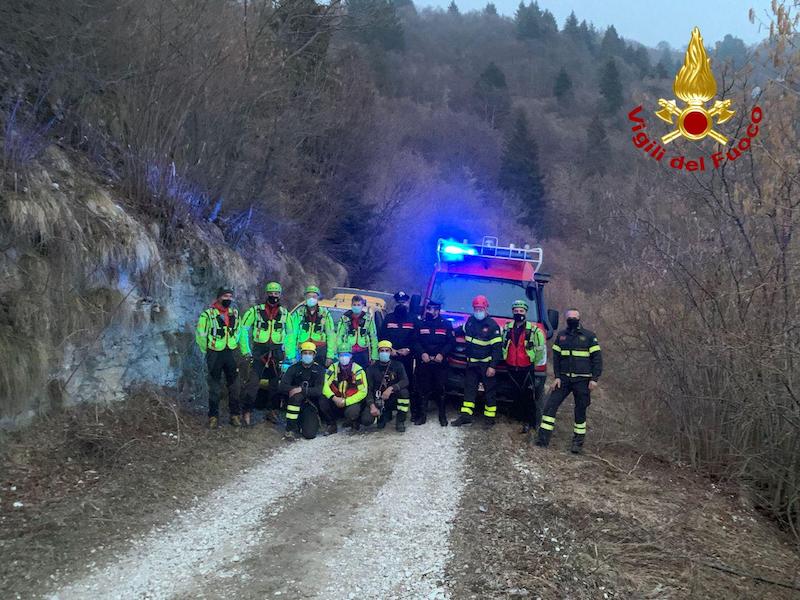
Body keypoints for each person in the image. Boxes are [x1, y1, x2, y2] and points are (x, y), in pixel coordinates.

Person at [536, 308, 603, 454]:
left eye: (575, 317)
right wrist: (557, 377)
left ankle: (577, 444)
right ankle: (542, 440)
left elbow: (597, 359)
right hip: (564, 379)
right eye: (569, 317)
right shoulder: (561, 336)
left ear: (579, 318)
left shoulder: (589, 336)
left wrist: (594, 379)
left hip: (583, 381)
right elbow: (557, 359)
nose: (572, 319)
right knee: (550, 406)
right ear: (565, 319)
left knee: (580, 411)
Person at [239, 282, 291, 426]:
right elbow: (243, 330)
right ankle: (246, 412)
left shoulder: (285, 313)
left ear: (280, 295)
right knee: (253, 384)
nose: (273, 296)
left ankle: (272, 411)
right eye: (271, 293)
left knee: (275, 385)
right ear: (266, 294)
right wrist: (246, 351)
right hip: (259, 351)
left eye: (276, 293)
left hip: (276, 352)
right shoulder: (255, 311)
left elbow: (291, 334)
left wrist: (289, 353)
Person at [451, 295, 503, 429]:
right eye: (476, 308)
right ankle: (466, 416)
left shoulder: (492, 325)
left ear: (486, 308)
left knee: (489, 391)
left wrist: (492, 366)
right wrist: (449, 331)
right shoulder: (470, 321)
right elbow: (460, 330)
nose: (478, 311)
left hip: (486, 365)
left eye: (481, 308)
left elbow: (497, 349)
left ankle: (489, 419)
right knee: (469, 389)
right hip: (472, 364)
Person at [195, 286, 243, 428]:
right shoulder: (208, 315)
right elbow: (201, 335)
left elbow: (238, 330)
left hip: (230, 352)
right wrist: (207, 350)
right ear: (219, 297)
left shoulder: (234, 313)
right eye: (225, 296)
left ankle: (234, 415)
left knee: (234, 385)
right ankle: (213, 417)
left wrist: (234, 343)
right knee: (215, 387)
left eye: (230, 296)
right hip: (214, 353)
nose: (228, 299)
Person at [503, 300, 546, 434]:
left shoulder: (534, 330)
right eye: (516, 311)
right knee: (514, 394)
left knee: (528, 396)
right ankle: (516, 417)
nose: (518, 313)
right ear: (512, 312)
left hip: (526, 367)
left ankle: (530, 422)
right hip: (510, 366)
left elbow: (540, 349)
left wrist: (535, 363)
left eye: (521, 311)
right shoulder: (507, 328)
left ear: (526, 312)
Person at [413, 298, 455, 426]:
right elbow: (415, 341)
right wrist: (422, 353)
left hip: (440, 363)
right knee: (423, 390)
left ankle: (442, 416)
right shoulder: (421, 323)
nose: (428, 311)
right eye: (427, 309)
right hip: (424, 362)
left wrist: (442, 354)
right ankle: (422, 416)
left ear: (437, 310)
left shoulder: (446, 324)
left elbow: (451, 342)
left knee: (440, 390)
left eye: (430, 309)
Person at [279, 342, 326, 440]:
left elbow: (318, 390)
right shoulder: (293, 368)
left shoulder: (319, 370)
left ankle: (307, 422)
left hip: (311, 405)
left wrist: (301, 389)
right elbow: (282, 386)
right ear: (301, 354)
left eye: (310, 353)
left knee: (310, 434)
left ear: (314, 355)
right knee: (296, 398)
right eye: (305, 353)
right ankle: (290, 429)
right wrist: (292, 390)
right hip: (295, 403)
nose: (307, 355)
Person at [320, 349, 373, 434]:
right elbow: (324, 384)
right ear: (337, 356)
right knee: (322, 399)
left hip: (351, 400)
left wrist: (346, 402)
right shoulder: (333, 367)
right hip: (336, 398)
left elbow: (362, 392)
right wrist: (333, 397)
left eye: (346, 355)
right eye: (341, 355)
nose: (343, 358)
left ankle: (354, 421)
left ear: (351, 356)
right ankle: (331, 424)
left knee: (352, 412)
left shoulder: (358, 370)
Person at [380, 291, 417, 411]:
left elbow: (417, 338)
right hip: (392, 357)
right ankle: (389, 408)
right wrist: (392, 350)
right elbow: (382, 336)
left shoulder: (413, 319)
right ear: (396, 302)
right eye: (399, 302)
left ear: (407, 302)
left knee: (406, 382)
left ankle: (403, 411)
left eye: (404, 302)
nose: (402, 304)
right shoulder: (389, 318)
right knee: (390, 381)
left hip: (407, 358)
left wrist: (409, 349)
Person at [285, 285, 336, 367]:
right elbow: (291, 334)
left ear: (318, 298)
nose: (311, 298)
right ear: (305, 297)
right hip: (301, 351)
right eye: (309, 296)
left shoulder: (325, 314)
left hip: (320, 351)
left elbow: (331, 335)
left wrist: (330, 356)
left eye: (314, 296)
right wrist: (291, 356)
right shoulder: (299, 314)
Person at [367, 340, 411, 433]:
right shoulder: (371, 368)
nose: (384, 353)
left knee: (404, 393)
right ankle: (383, 415)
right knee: (375, 422)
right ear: (378, 352)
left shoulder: (398, 365)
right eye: (381, 350)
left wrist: (391, 388)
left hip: (393, 396)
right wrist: (372, 405)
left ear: (391, 352)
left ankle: (400, 420)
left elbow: (405, 381)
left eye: (387, 350)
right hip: (379, 398)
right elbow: (369, 389)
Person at [335, 295, 378, 368]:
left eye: (358, 305)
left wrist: (374, 357)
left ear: (362, 306)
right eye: (354, 305)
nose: (356, 307)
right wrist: (338, 352)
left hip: (363, 352)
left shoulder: (368, 318)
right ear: (351, 305)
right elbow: (339, 336)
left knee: (362, 373)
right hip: (348, 351)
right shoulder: (345, 318)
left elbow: (373, 337)